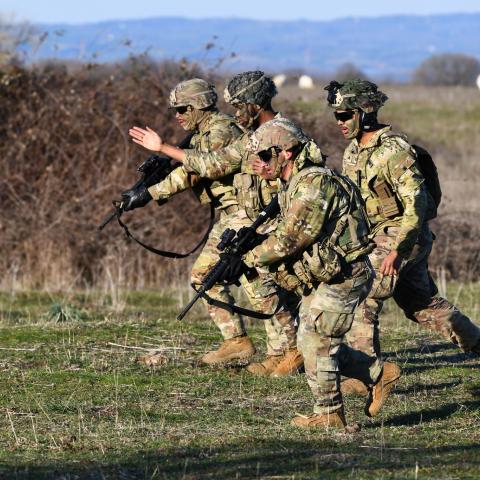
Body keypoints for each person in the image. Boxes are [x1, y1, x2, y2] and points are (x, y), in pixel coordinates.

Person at [129, 72, 303, 377]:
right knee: (249, 281)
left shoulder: (275, 133)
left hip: (266, 216)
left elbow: (209, 166)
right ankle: (274, 350)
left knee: (264, 284)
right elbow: (218, 162)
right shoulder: (254, 135)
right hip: (251, 215)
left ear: (253, 103)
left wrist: (161, 153)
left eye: (238, 106)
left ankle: (291, 352)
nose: (234, 114)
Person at [243, 117, 400, 429]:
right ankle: (379, 374)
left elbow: (290, 238)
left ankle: (330, 414)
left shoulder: (314, 184)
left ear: (284, 153)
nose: (259, 164)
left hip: (345, 275)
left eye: (263, 156)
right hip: (329, 274)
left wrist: (250, 257)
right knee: (309, 342)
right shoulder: (295, 183)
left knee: (318, 341)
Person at [324, 79, 480, 393]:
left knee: (362, 293)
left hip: (403, 236)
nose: (339, 122)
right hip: (380, 236)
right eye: (336, 116)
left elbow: (417, 203)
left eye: (345, 115)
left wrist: (398, 249)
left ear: (365, 113)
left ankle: (366, 375)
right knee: (423, 304)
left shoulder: (394, 150)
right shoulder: (354, 150)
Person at [125, 78, 243, 366]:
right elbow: (187, 171)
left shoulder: (221, 130)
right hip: (232, 214)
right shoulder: (201, 132)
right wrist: (144, 194)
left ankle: (274, 348)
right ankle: (240, 342)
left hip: (246, 213)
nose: (177, 115)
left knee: (248, 282)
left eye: (182, 109)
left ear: (199, 106)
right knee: (216, 277)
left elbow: (203, 167)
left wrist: (162, 148)